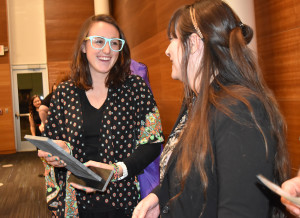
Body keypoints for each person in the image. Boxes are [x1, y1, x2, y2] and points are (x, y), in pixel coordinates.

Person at [132, 0, 290, 217]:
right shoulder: (195, 103)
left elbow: (239, 211)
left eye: (173, 39)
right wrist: (159, 196)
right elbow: (195, 174)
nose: (167, 50)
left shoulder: (238, 110)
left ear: (195, 43)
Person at [37, 14, 164, 217]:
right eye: (99, 41)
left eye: (114, 43)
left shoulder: (136, 89)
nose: (107, 50)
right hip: (76, 204)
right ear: (83, 46)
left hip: (124, 202)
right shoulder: (63, 93)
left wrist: (115, 170)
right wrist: (57, 154)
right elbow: (54, 143)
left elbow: (152, 143)